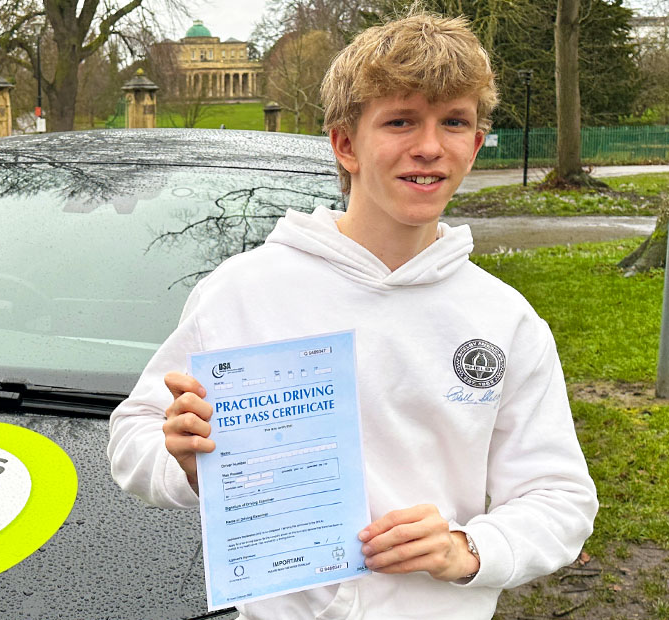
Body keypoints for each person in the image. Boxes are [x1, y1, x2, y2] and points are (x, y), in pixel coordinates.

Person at [108, 10, 598, 620]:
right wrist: (184, 464)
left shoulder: (505, 319)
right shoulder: (242, 291)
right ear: (346, 145)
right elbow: (133, 435)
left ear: (474, 145)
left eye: (453, 122)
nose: (429, 147)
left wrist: (468, 549)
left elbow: (560, 496)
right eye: (400, 121)